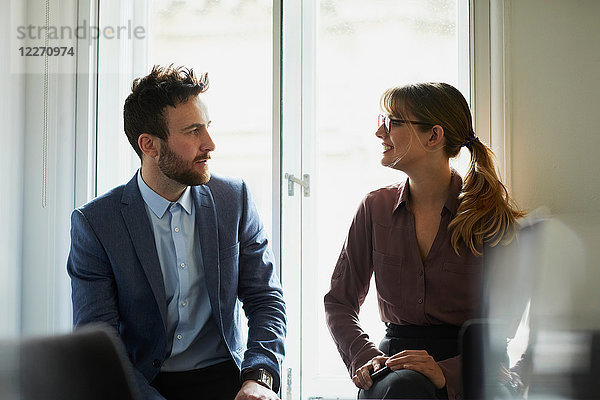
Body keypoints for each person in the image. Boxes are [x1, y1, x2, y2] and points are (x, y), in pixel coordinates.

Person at [67, 65, 286, 400]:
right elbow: (100, 343)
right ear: (149, 145)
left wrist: (259, 377)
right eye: (193, 131)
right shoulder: (96, 223)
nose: (210, 144)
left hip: (229, 380)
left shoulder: (233, 199)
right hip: (142, 385)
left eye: (207, 128)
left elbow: (265, 299)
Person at [324, 82, 524, 400]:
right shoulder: (374, 208)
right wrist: (365, 357)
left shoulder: (489, 216)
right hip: (396, 368)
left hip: (474, 365)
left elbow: (503, 325)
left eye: (393, 122)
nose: (380, 133)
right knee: (402, 389)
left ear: (433, 136)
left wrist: (443, 372)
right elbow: (339, 301)